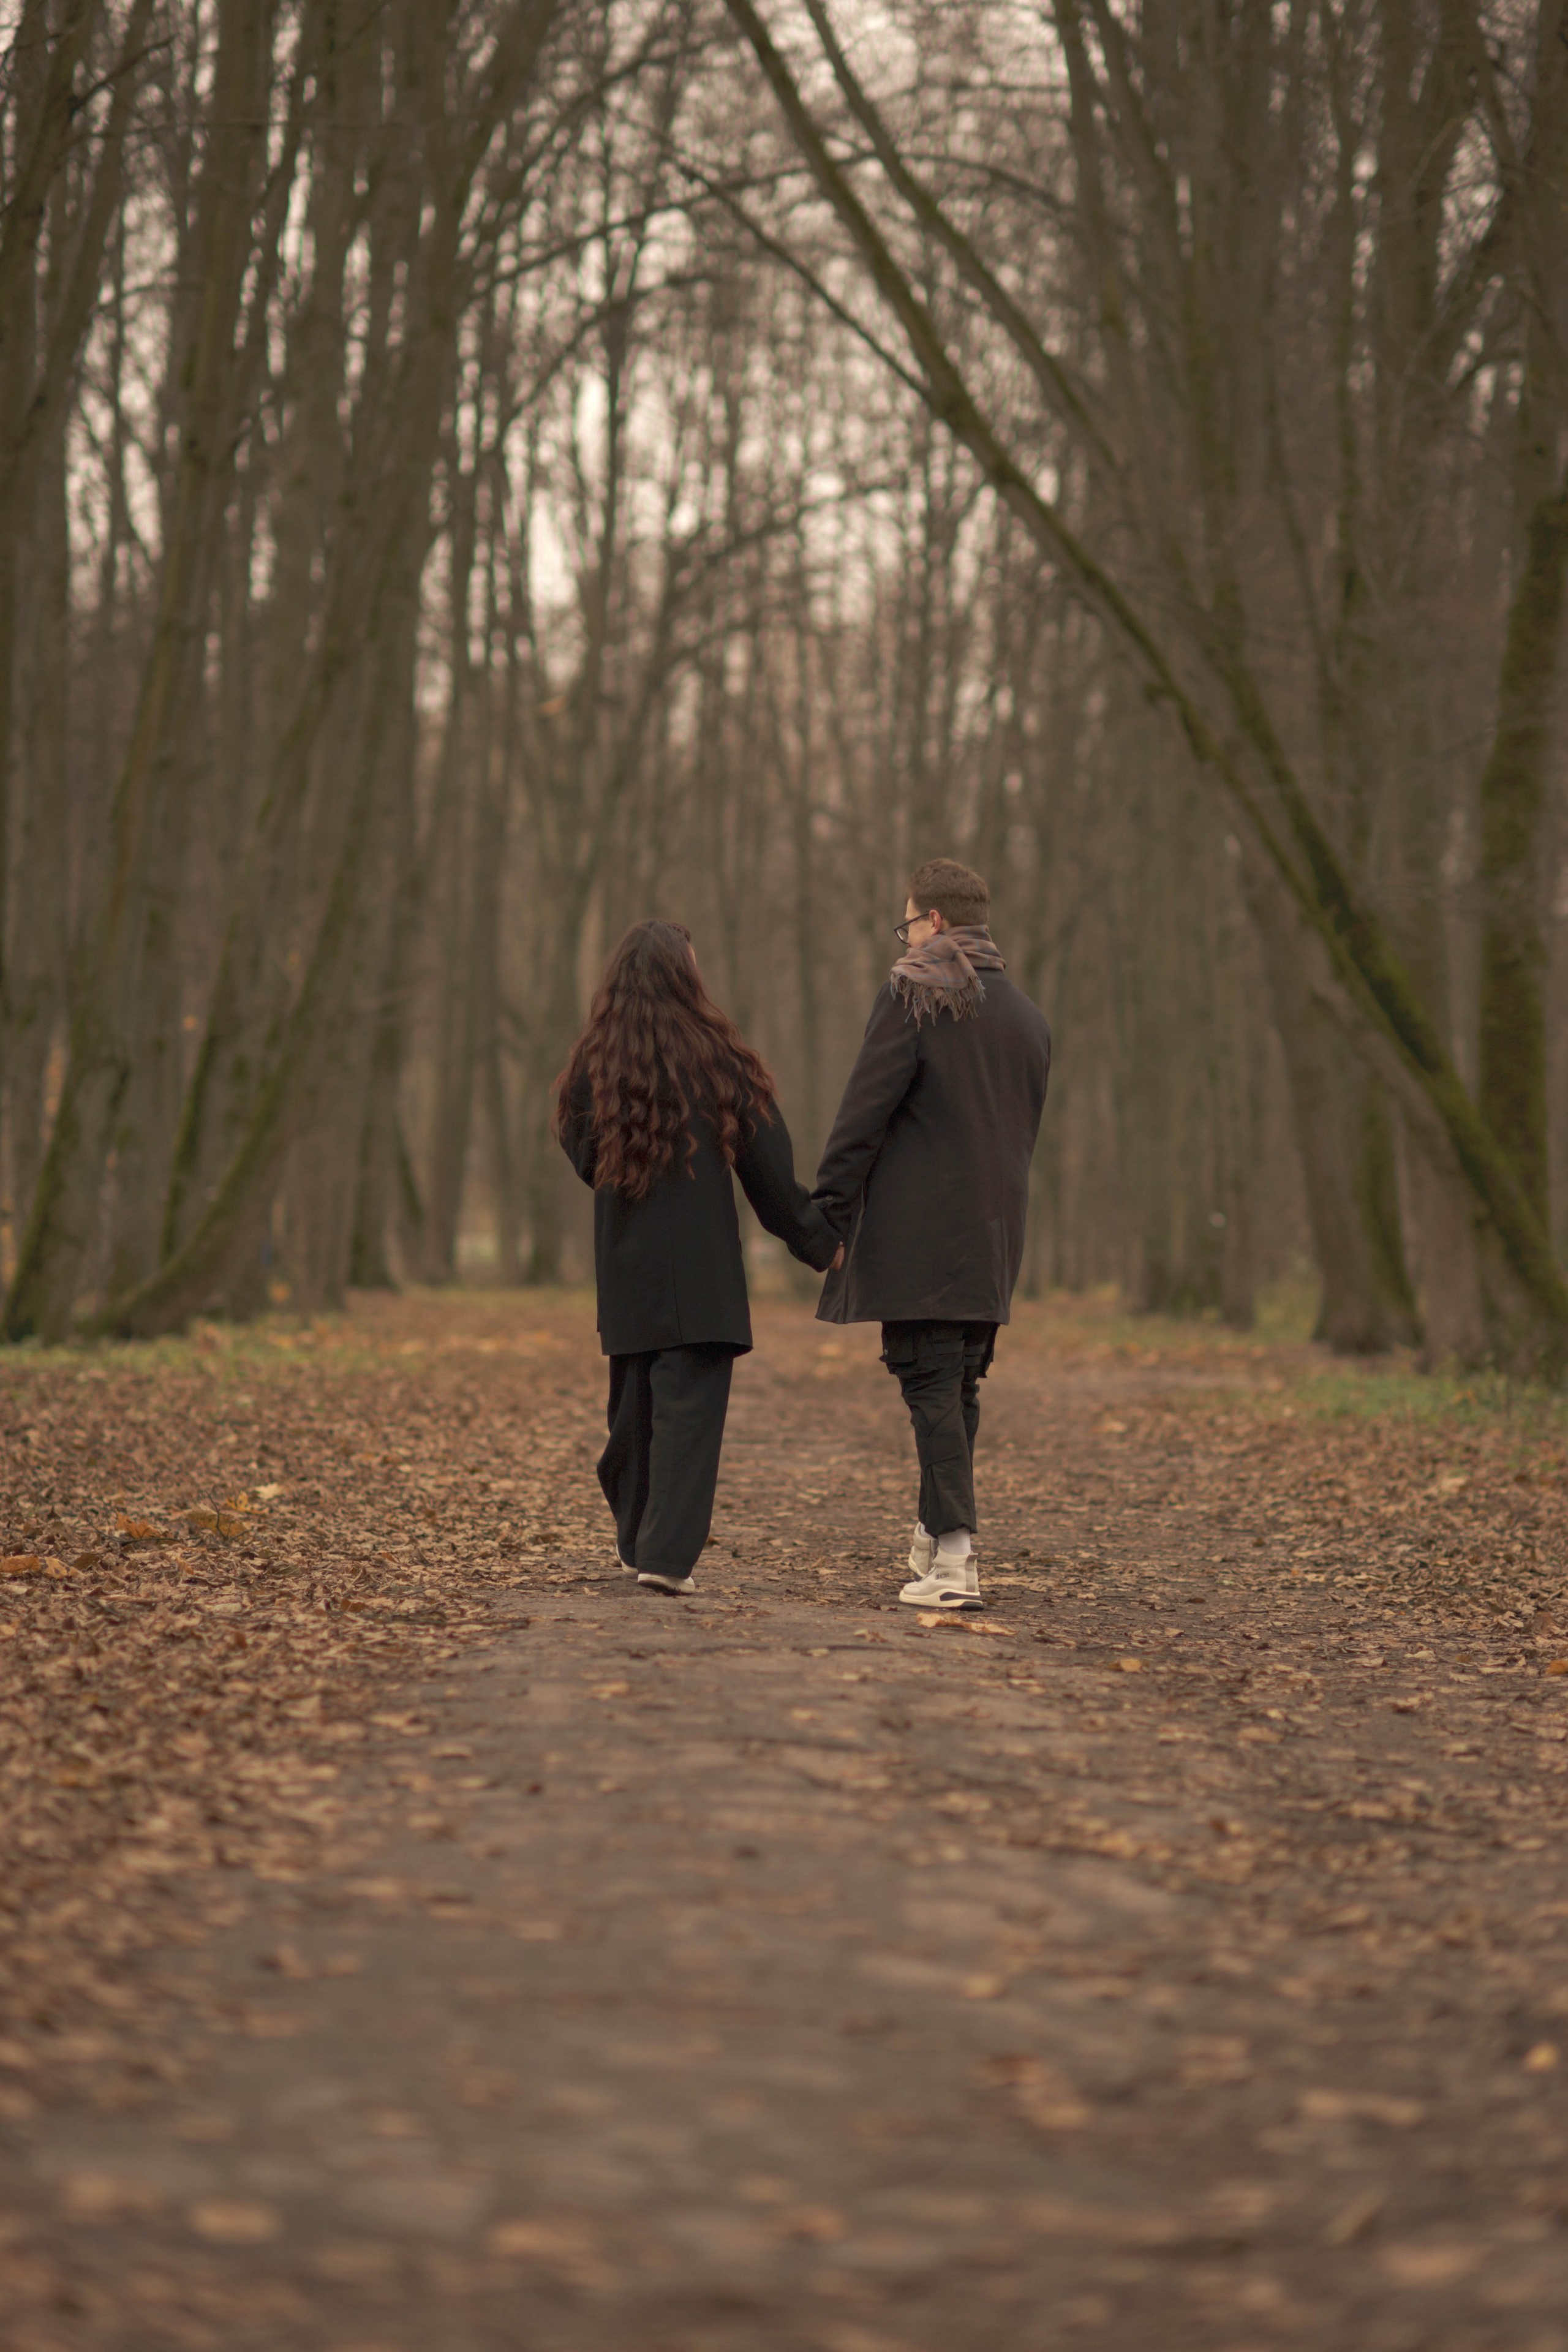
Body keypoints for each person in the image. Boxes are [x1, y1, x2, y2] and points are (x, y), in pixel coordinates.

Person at [556, 919, 837, 1596]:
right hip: (703, 1274)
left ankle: (644, 1545)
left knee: (634, 1416)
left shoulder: (593, 1069)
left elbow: (584, 1158)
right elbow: (771, 1177)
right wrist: (820, 1242)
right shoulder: (723, 1060)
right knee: (681, 1422)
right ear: (687, 978)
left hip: (627, 1270)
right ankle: (661, 1556)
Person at [813, 859, 1051, 1610]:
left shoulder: (915, 996)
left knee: (930, 1383)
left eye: (909, 921)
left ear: (935, 923)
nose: (907, 935)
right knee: (956, 1386)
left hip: (922, 1234)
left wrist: (826, 1213)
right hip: (993, 1233)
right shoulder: (1027, 1017)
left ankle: (954, 1563)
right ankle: (932, 1531)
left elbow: (863, 1111)